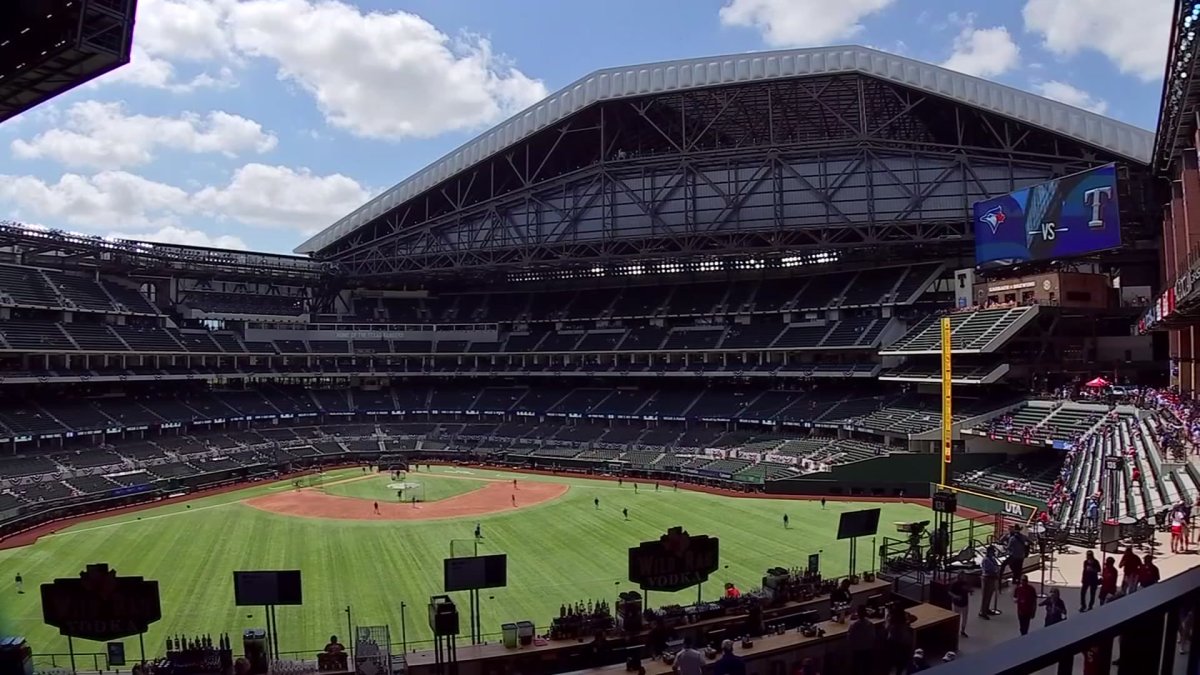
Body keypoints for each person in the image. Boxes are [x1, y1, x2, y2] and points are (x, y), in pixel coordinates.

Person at [846, 606, 876, 673]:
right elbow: (873, 636)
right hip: (868, 648)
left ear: (858, 614)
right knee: (866, 667)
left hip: (857, 649)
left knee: (856, 667)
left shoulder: (854, 625)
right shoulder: (870, 624)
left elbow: (849, 637)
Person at [979, 546, 1000, 620]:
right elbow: (988, 569)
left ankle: (987, 609)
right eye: (992, 552)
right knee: (985, 596)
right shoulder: (986, 560)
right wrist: (995, 570)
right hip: (987, 578)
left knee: (989, 595)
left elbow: (996, 566)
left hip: (992, 578)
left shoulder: (993, 559)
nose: (993, 553)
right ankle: (982, 611)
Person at [948, 572, 971, 637]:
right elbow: (950, 592)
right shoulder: (954, 583)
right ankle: (955, 631)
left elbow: (967, 589)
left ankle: (962, 631)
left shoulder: (965, 583)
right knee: (957, 618)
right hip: (957, 604)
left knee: (964, 618)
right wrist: (955, 596)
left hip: (965, 603)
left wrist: (970, 591)